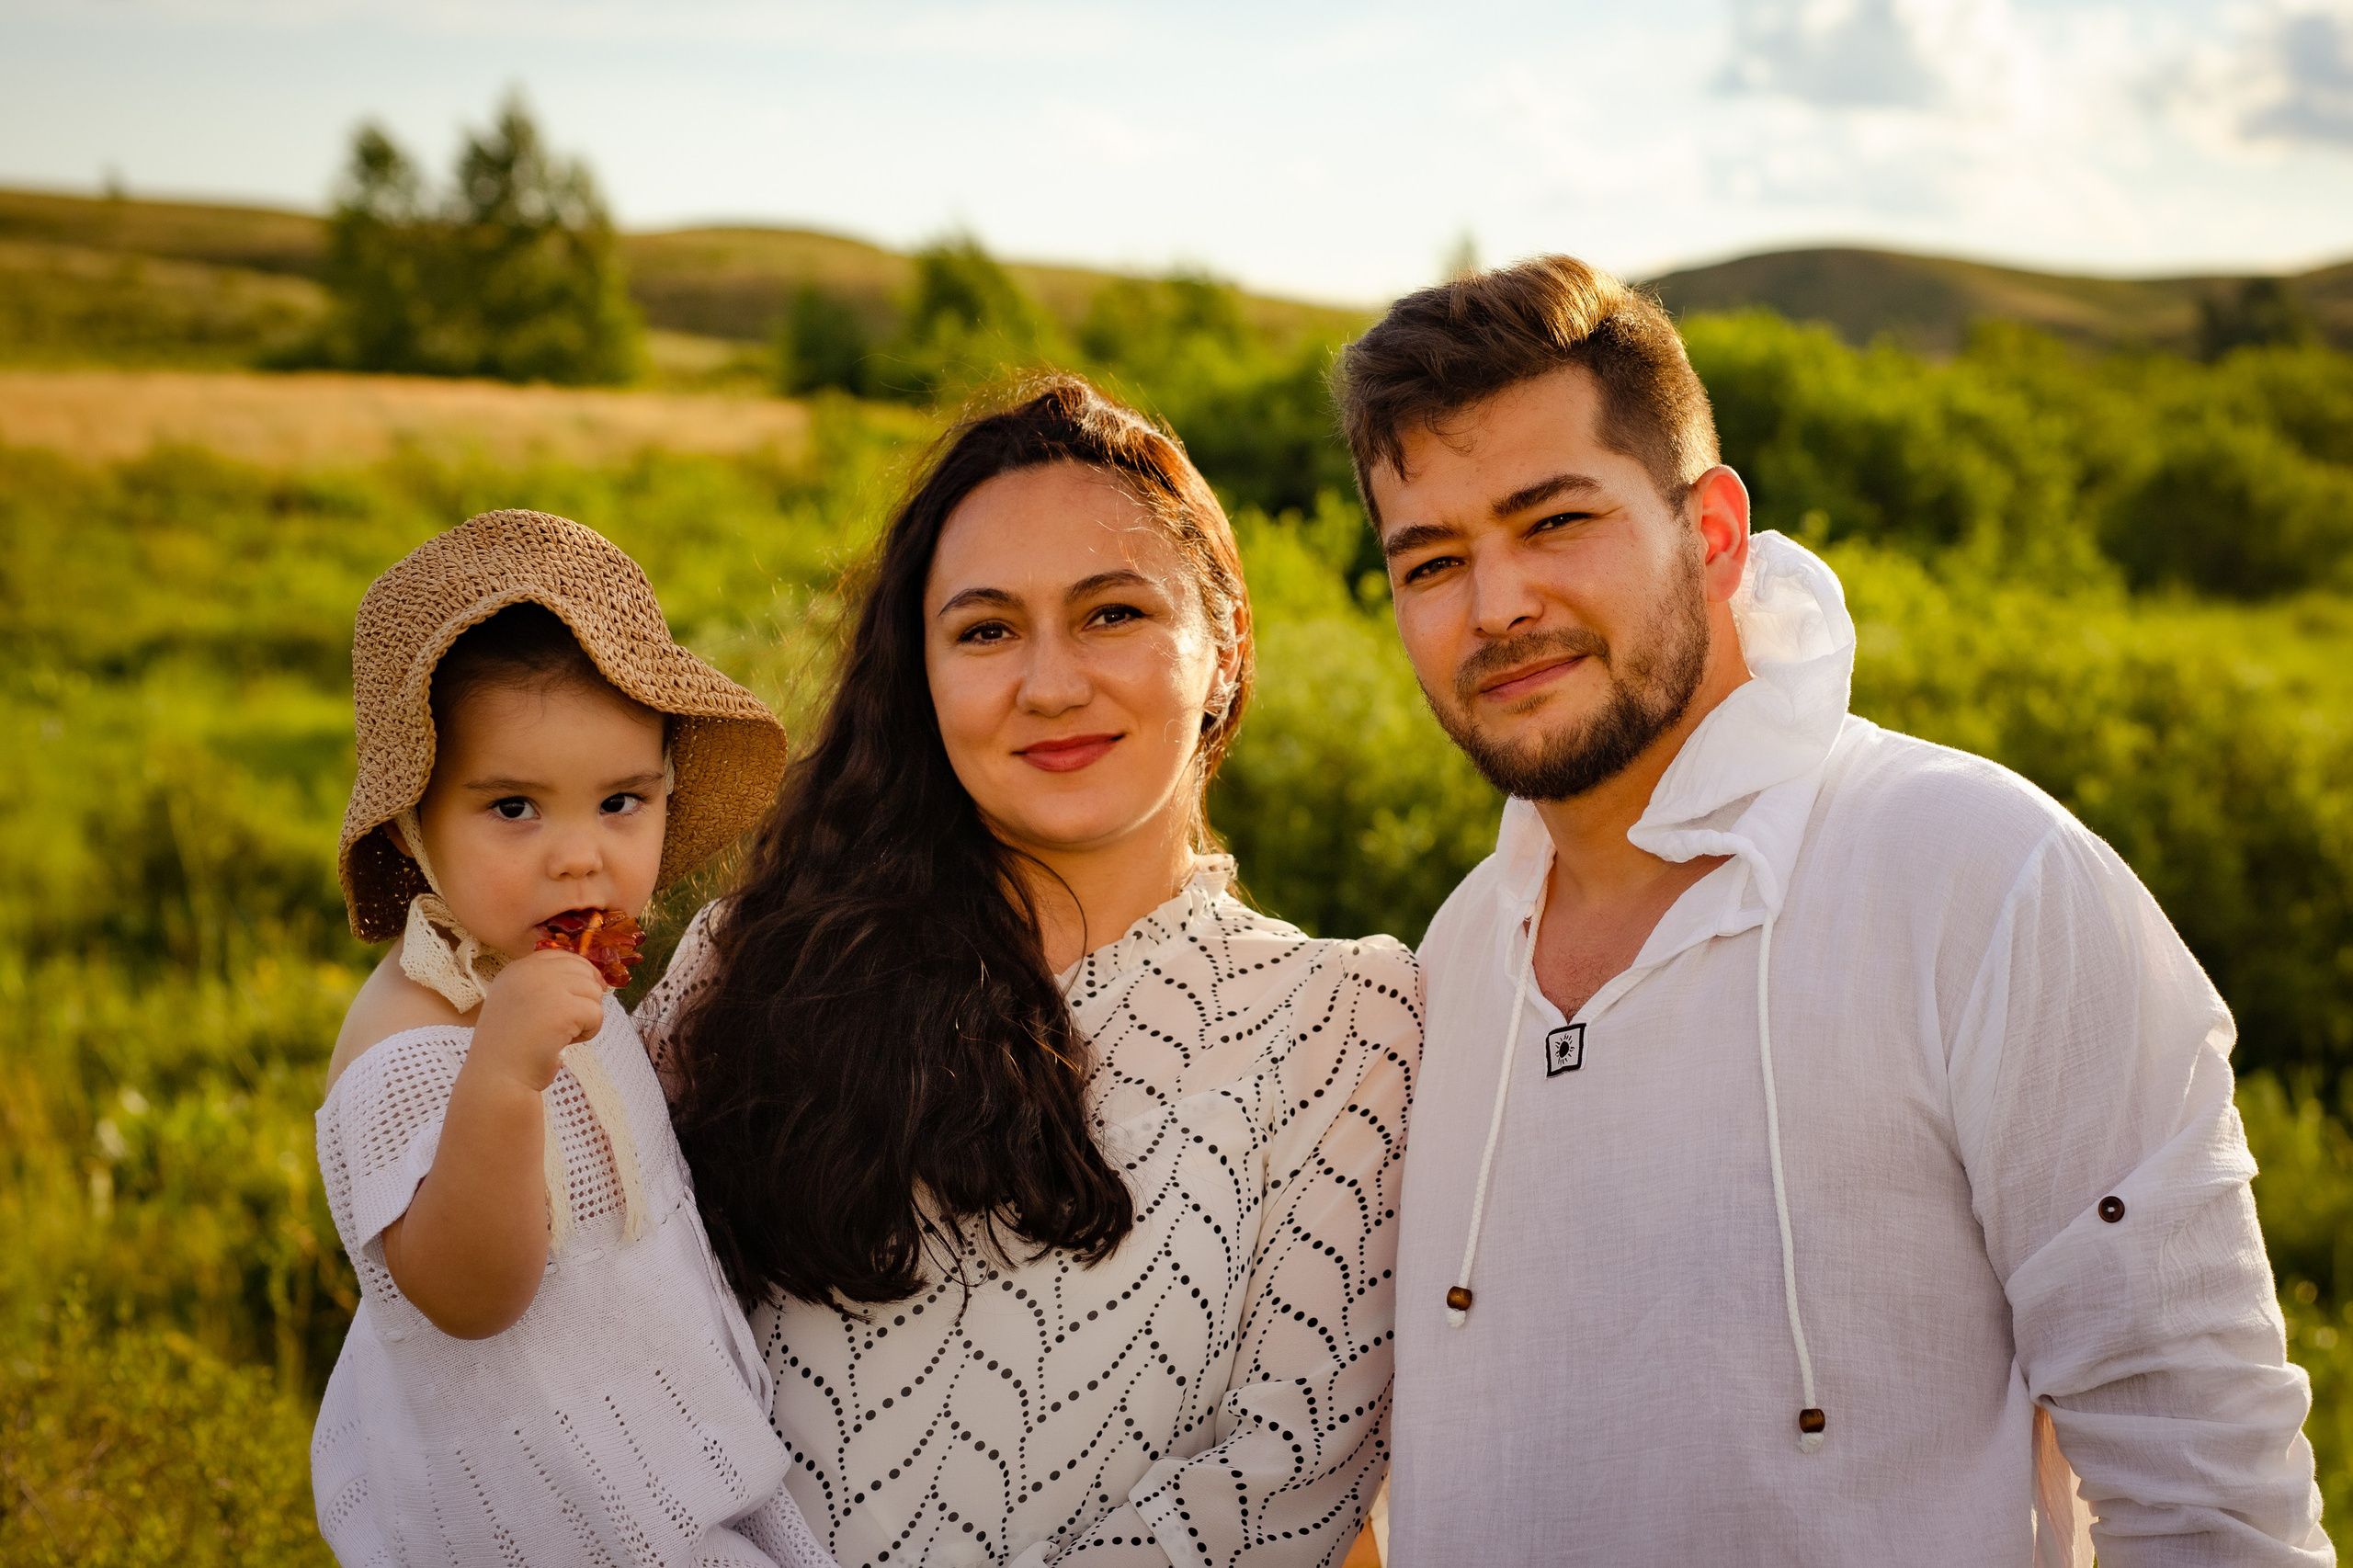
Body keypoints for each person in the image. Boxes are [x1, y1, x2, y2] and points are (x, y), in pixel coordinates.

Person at [1339, 258, 2330, 1564]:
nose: (1497, 604)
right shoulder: (1446, 966)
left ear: (1713, 530)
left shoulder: (1985, 881)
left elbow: (2214, 1507)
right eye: (1432, 560)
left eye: (1555, 520)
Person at [636, 377, 1421, 1568]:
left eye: (1112, 613)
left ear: (1224, 648)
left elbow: (1284, 1480)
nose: (1050, 683)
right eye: (987, 629)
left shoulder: (1347, 1020)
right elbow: (601, 1351)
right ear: (925, 674)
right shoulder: (752, 958)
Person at [313, 509, 833, 1568]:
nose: (578, 857)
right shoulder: (411, 1043)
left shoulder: (552, 976)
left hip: (663, 1468)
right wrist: (501, 1077)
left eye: (619, 801)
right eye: (513, 806)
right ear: (414, 822)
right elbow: (466, 1292)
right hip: (534, 1510)